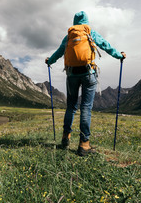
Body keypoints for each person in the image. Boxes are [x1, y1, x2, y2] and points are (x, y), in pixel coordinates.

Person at [45, 11, 126, 156]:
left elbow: (58, 52)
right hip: (89, 74)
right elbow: (106, 46)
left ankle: (65, 137)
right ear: (86, 22)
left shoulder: (69, 36)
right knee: (86, 108)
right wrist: (119, 55)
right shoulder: (90, 33)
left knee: (71, 107)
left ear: (74, 22)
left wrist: (49, 61)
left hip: (71, 75)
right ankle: (84, 144)